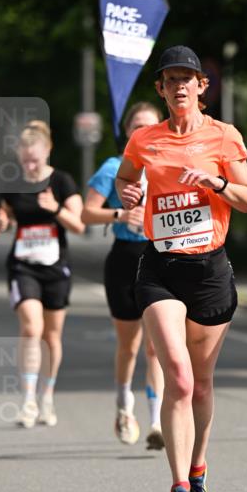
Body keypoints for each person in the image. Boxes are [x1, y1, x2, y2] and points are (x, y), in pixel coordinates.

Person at [116, 45, 247, 492]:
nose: (179, 86)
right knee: (177, 376)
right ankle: (179, 491)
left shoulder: (223, 135)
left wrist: (216, 184)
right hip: (160, 268)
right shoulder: (144, 139)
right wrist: (128, 192)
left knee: (201, 381)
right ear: (160, 88)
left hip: (210, 270)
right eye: (171, 79)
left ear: (202, 86)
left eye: (187, 78)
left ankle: (198, 473)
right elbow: (126, 179)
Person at [82, 102, 165, 450]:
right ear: (127, 132)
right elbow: (86, 214)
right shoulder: (113, 167)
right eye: (136, 126)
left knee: (156, 347)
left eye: (149, 126)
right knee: (129, 346)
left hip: (160, 259)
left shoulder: (167, 165)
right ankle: (124, 409)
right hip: (124, 260)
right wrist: (119, 215)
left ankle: (157, 421)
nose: (142, 131)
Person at [0, 121, 84, 428]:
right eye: (25, 160)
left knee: (51, 335)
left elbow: (80, 224)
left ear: (47, 151)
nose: (30, 165)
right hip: (23, 266)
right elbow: (6, 212)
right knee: (31, 328)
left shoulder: (61, 181)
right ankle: (28, 400)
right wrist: (3, 220)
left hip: (56, 267)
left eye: (34, 159)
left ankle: (47, 396)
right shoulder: (13, 183)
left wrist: (55, 208)